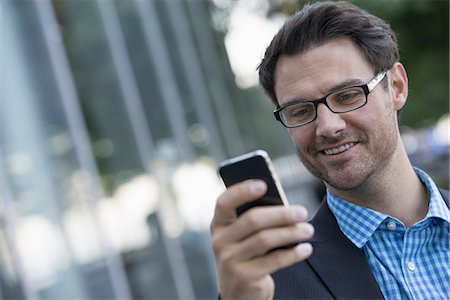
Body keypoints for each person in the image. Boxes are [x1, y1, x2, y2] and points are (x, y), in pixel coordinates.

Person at [209, 1, 449, 299]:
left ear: (397, 86)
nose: (327, 126)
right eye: (299, 111)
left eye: (347, 96)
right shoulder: (267, 284)